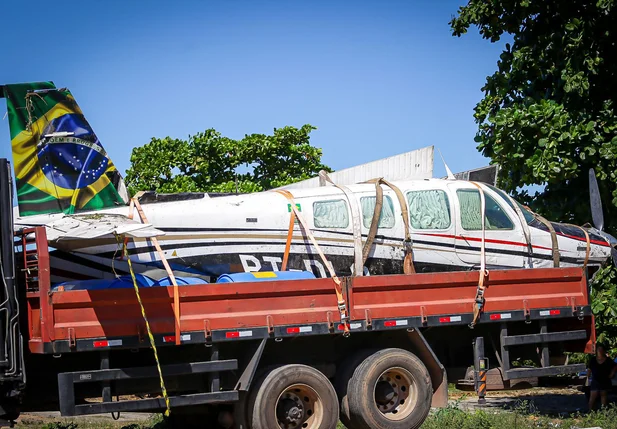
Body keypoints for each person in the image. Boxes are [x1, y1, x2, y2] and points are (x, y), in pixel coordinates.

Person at [587, 343, 617, 410]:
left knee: (603, 396)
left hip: (605, 380)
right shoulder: (593, 360)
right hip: (595, 380)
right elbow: (589, 369)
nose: (600, 351)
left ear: (604, 351)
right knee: (592, 396)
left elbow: (615, 366)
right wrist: (588, 377)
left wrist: (612, 374)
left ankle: (603, 413)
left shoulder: (608, 360)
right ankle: (589, 412)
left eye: (601, 349)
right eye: (598, 349)